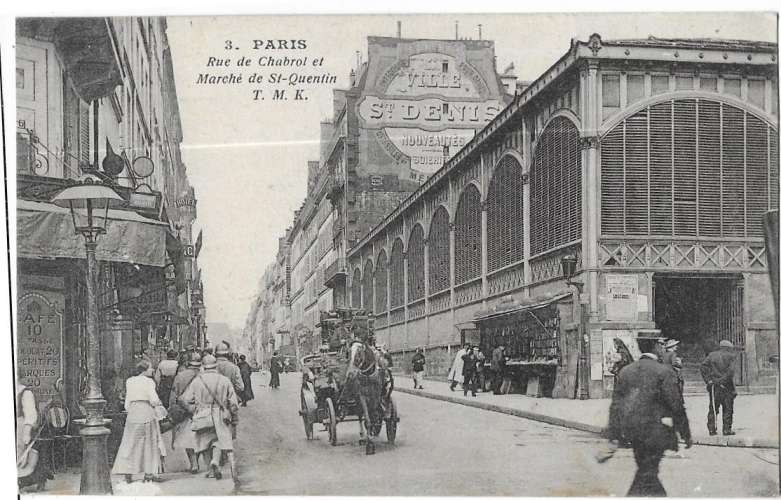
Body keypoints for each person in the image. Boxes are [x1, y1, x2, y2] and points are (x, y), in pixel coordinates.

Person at [603, 339, 692, 496]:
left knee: (646, 472)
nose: (663, 349)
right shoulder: (664, 372)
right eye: (662, 345)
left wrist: (614, 435)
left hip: (633, 433)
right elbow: (676, 405)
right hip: (656, 433)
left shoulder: (626, 371)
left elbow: (616, 406)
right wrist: (685, 433)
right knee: (648, 474)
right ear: (656, 346)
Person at [181, 355, 239, 481]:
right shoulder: (224, 380)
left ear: (203, 366)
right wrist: (233, 416)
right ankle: (215, 461)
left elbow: (186, 399)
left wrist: (193, 408)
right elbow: (233, 403)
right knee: (218, 440)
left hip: (202, 414)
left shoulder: (197, 381)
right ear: (215, 366)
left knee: (204, 442)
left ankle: (210, 469)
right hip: (220, 414)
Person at [111, 360, 167, 483]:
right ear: (145, 369)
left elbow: (127, 401)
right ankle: (149, 473)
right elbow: (154, 399)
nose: (152, 370)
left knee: (129, 442)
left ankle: (127, 471)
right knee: (149, 443)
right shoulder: (149, 382)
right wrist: (160, 406)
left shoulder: (129, 381)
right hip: (146, 412)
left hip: (133, 413)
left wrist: (130, 409)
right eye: (151, 368)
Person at [16, 377, 51, 492]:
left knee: (24, 457)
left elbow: (30, 415)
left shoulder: (25, 393)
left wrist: (27, 432)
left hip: (22, 428)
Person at [170, 352, 202, 474]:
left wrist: (172, 409)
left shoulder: (180, 376)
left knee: (187, 436)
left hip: (185, 410)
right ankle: (197, 461)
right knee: (201, 437)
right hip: (201, 409)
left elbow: (173, 395)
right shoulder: (203, 375)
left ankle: (193, 462)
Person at [701, 340, 737, 436]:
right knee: (728, 408)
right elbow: (730, 372)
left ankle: (712, 429)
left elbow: (703, 367)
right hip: (727, 387)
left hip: (714, 387)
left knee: (713, 408)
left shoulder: (712, 355)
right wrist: (722, 381)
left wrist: (709, 380)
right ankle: (726, 430)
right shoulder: (731, 357)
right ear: (728, 348)